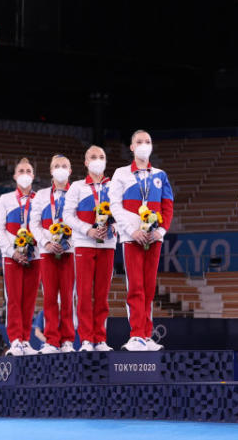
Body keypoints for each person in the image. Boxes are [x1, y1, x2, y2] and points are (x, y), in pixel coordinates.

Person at [110, 130, 175, 351]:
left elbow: (167, 206)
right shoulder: (121, 174)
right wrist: (131, 230)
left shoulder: (160, 175)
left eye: (147, 141)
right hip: (131, 238)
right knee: (136, 286)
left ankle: (147, 335)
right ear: (131, 147)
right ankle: (136, 334)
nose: (143, 145)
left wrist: (161, 231)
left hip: (154, 238)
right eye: (139, 141)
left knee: (148, 288)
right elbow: (115, 206)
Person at [63, 145, 118, 352]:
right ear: (86, 162)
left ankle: (100, 339)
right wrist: (88, 230)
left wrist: (113, 227)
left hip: (108, 243)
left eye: (101, 156)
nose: (97, 160)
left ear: (106, 161)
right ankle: (86, 339)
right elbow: (67, 215)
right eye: (93, 157)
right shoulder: (77, 187)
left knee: (102, 293)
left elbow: (122, 212)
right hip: (84, 243)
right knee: (84, 293)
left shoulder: (115, 186)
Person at [0, 158, 41, 356]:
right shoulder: (4, 199)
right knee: (13, 299)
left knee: (29, 300)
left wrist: (35, 247)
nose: (24, 173)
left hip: (35, 257)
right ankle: (15, 340)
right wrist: (12, 252)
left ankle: (26, 340)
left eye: (28, 170)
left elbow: (43, 227)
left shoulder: (40, 199)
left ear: (33, 175)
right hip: (11, 257)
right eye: (20, 170)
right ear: (14, 176)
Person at [30, 154, 76, 354]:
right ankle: (51, 340)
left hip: (70, 251)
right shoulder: (40, 195)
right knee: (49, 297)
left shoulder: (77, 192)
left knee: (67, 297)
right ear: (50, 171)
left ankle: (67, 340)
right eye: (56, 166)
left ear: (70, 171)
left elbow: (81, 220)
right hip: (47, 252)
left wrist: (68, 242)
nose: (60, 169)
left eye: (64, 165)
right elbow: (34, 223)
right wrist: (47, 242)